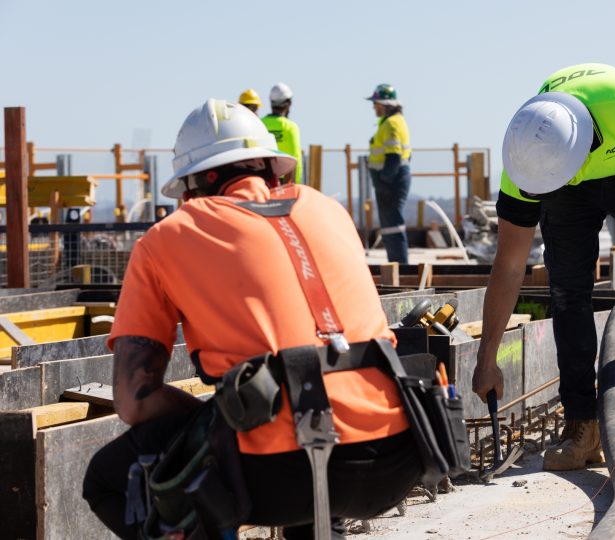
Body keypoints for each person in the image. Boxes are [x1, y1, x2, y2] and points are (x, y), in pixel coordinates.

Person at [82, 99, 421, 539]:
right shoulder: (329, 210)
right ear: (272, 169)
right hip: (396, 456)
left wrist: (212, 412)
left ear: (195, 184)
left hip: (278, 475)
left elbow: (135, 401)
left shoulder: (168, 237)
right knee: (301, 416)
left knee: (106, 480)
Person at [472, 63, 615, 470]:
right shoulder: (526, 162)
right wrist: (486, 357)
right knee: (566, 291)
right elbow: (509, 266)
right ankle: (581, 424)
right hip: (566, 186)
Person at [367, 83, 412, 264]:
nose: (374, 107)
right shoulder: (393, 122)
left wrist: (384, 180)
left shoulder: (392, 124)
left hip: (391, 182)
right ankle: (397, 264)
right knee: (390, 226)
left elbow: (393, 156)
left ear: (385, 104)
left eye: (376, 103)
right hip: (394, 180)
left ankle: (400, 266)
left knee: (393, 226)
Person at [262, 82, 303, 184]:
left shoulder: (260, 123)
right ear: (289, 103)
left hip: (263, 180)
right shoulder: (291, 127)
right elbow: (296, 158)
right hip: (285, 182)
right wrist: (296, 184)